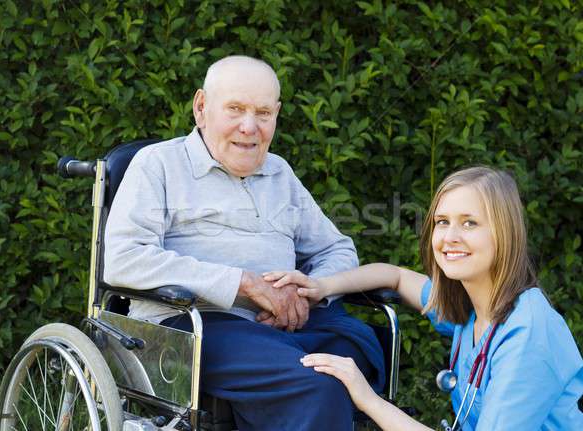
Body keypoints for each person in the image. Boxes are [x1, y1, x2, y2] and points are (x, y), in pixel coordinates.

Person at [103, 55, 385, 430]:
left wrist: (309, 292)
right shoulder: (158, 165)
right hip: (195, 327)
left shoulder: (278, 172)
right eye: (235, 109)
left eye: (263, 113)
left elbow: (336, 248)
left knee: (355, 356)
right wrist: (243, 285)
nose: (249, 127)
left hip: (285, 327)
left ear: (276, 115)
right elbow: (123, 258)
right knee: (319, 384)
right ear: (201, 108)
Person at [264, 166, 583, 430]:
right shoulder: (471, 308)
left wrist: (367, 398)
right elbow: (395, 276)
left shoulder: (528, 334)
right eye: (442, 222)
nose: (450, 237)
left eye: (469, 223)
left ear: (504, 233)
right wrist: (320, 287)